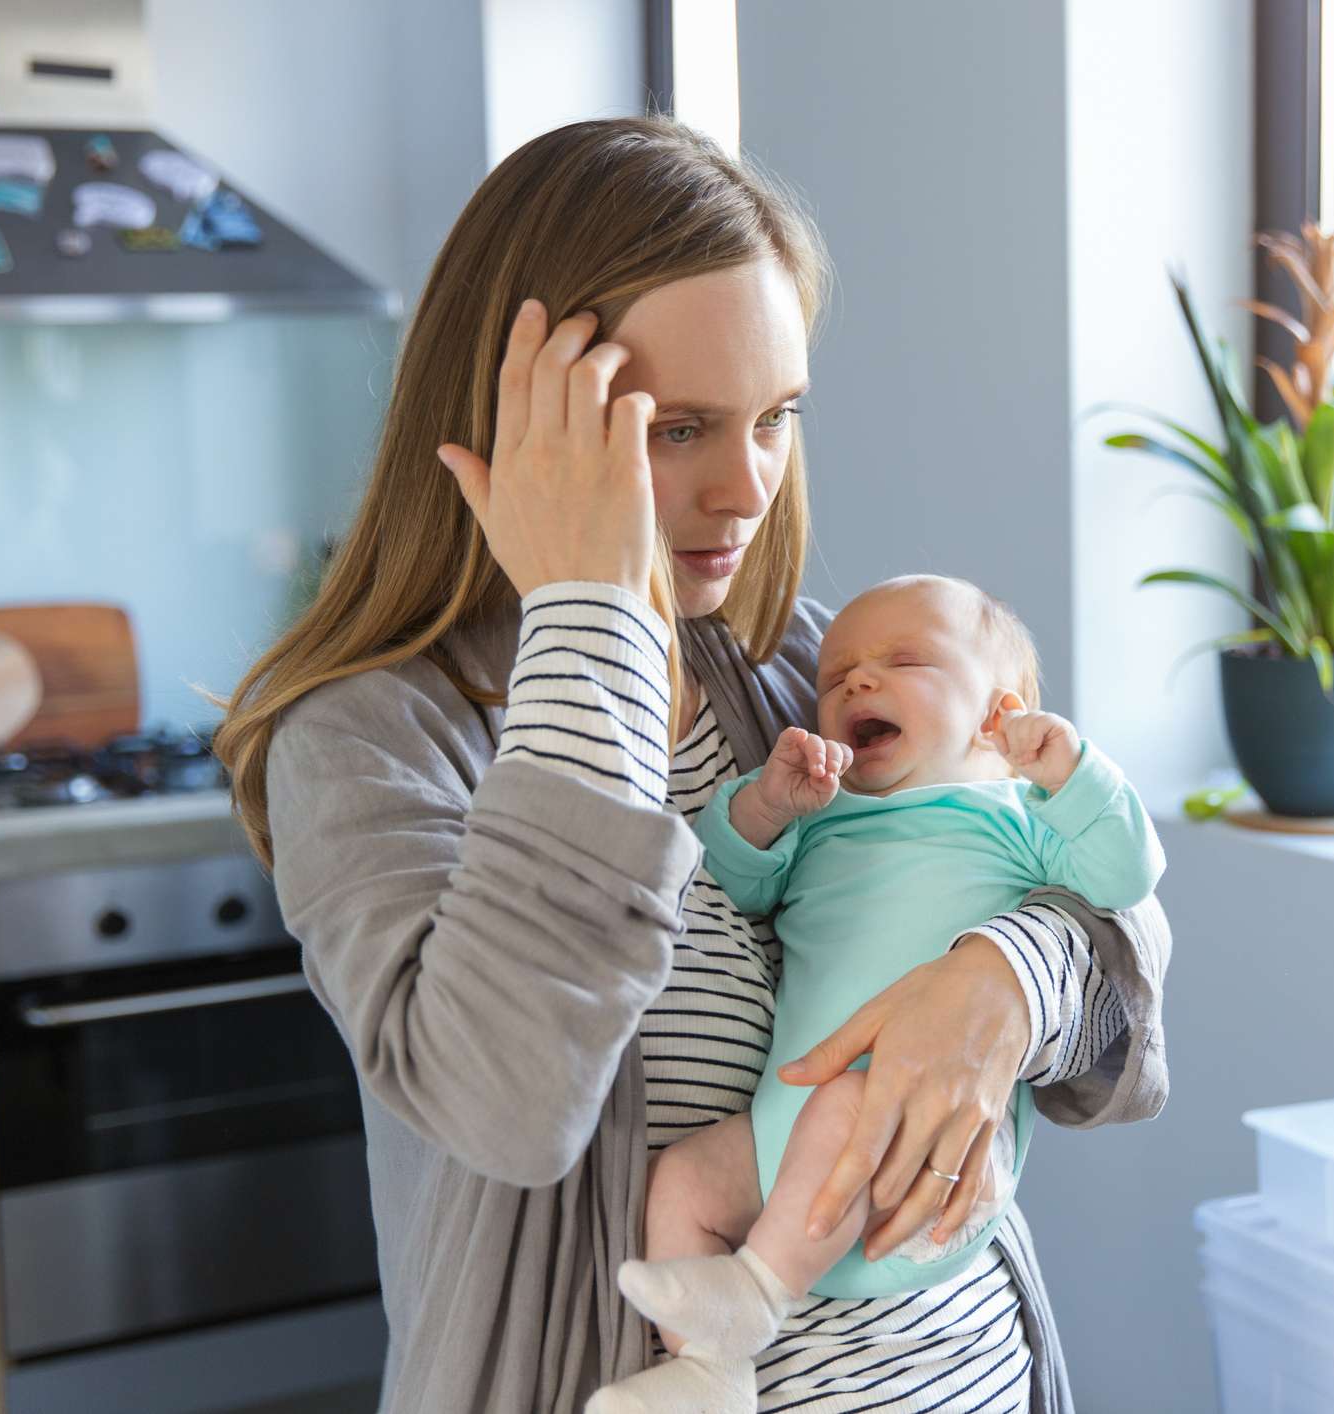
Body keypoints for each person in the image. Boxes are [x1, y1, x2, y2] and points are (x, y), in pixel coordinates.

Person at [211, 116, 1172, 1413]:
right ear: (514, 423)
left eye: (776, 416)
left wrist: (1003, 980)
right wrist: (588, 616)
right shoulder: (368, 743)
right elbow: (509, 1099)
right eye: (679, 429)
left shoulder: (806, 676)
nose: (746, 487)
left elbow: (1120, 959)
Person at [590, 575, 1165, 1411]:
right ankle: (706, 1372)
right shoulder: (824, 818)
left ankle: (753, 1294)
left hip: (914, 1151)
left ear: (997, 715)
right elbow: (731, 884)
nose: (857, 682)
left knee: (848, 1101)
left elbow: (1124, 884)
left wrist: (1072, 775)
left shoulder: (1016, 816)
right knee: (679, 1184)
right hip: (779, 1147)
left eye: (903, 661)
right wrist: (763, 807)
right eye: (836, 678)